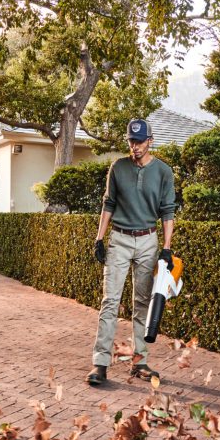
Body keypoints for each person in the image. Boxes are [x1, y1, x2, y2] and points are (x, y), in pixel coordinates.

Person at [87, 117, 176, 386]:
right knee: (110, 301)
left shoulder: (163, 172)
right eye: (131, 141)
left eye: (139, 141)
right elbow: (108, 203)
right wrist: (99, 238)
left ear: (150, 140)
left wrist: (166, 248)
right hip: (120, 239)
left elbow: (167, 212)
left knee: (142, 304)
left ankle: (140, 362)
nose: (135, 146)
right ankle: (100, 364)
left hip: (148, 240)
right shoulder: (119, 168)